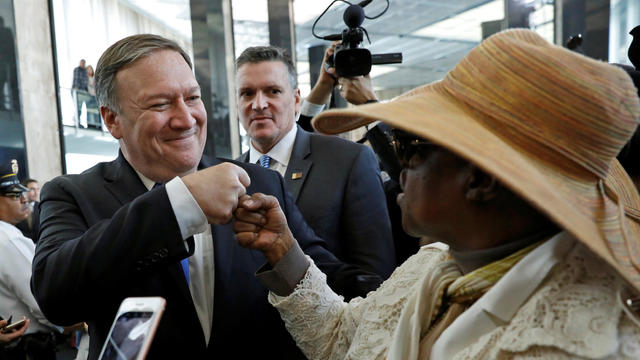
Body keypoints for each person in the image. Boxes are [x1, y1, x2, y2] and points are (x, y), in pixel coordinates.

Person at [233, 29, 640, 359]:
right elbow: (344, 339)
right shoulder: (436, 264)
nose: (396, 165)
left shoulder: (577, 340)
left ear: (480, 180)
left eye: (410, 146)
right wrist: (286, 252)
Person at [31, 34, 381, 360]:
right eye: (160, 104)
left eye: (192, 97)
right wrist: (180, 202)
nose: (186, 119)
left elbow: (331, 280)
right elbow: (56, 296)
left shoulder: (259, 181)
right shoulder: (73, 194)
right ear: (112, 120)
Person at [235, 46, 395, 278]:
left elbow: (374, 277)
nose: (259, 104)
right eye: (247, 93)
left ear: (297, 100)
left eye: (273, 91)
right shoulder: (229, 177)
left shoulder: (348, 161)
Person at [299, 42, 420, 264]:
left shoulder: (403, 176)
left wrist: (370, 105)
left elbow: (405, 173)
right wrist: (324, 85)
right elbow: (300, 143)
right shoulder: (345, 160)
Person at [0, 160, 63, 360]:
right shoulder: (9, 239)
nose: (23, 200)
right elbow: (41, 299)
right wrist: (69, 325)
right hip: (28, 345)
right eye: (15, 195)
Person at [71, 59, 89, 125]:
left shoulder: (85, 71)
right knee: (78, 108)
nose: (83, 64)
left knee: (82, 108)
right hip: (77, 91)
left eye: (84, 63)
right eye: (82, 63)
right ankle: (77, 122)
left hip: (84, 92)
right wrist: (76, 89)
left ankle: (80, 122)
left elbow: (86, 81)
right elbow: (76, 79)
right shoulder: (77, 70)